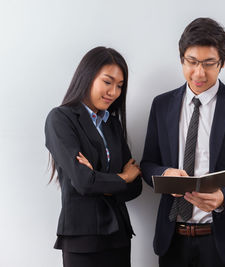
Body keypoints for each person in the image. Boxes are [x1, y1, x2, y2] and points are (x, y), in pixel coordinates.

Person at [141, 18, 225, 267]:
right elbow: (147, 164)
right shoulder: (161, 105)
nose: (199, 72)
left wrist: (224, 197)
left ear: (222, 63)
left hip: (222, 243)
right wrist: (165, 174)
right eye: (192, 62)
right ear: (181, 59)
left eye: (209, 63)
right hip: (172, 241)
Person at [45, 47, 142, 267]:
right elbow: (83, 182)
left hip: (119, 236)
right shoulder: (60, 119)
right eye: (107, 82)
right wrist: (122, 178)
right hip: (82, 238)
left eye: (119, 86)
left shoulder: (112, 124)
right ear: (87, 76)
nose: (114, 92)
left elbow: (135, 187)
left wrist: (99, 178)